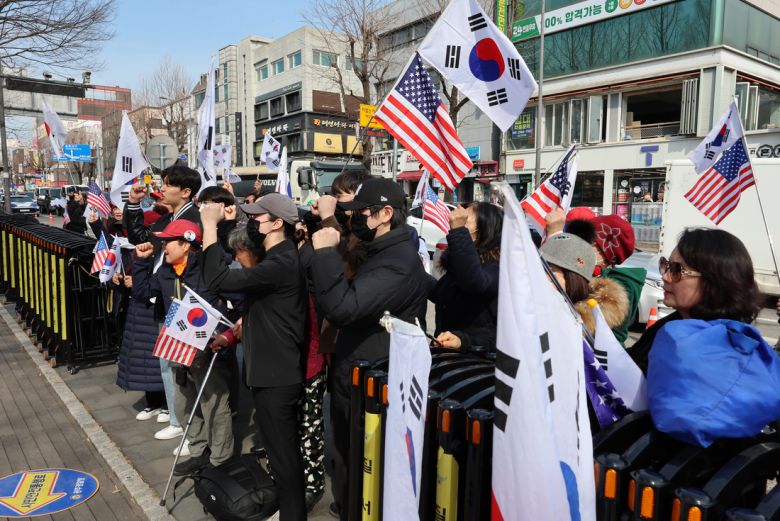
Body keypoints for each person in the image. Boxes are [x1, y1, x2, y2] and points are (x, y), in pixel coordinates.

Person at [309, 178, 430, 521]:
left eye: (361, 213)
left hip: (372, 382)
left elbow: (344, 309)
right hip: (358, 374)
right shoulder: (381, 251)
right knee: (349, 457)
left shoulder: (397, 261)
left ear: (385, 214)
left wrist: (325, 254)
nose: (353, 219)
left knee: (365, 465)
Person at [200, 193, 307, 521]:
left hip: (278, 376)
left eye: (257, 218)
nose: (251, 223)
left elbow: (217, 279)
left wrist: (209, 226)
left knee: (284, 459)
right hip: (272, 373)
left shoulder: (280, 263)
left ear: (277, 224)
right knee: (279, 455)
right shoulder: (277, 258)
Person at [132, 219, 235, 474]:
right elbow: (143, 292)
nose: (163, 246)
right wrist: (142, 262)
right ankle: (198, 451)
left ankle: (221, 460)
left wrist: (227, 334)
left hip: (208, 351)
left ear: (186, 244)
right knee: (183, 404)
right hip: (177, 349)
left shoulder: (209, 270)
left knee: (214, 405)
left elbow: (240, 302)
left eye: (168, 242)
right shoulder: (165, 271)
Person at [123, 165, 202, 441]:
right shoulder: (167, 219)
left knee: (184, 368)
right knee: (169, 364)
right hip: (163, 297)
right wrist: (134, 204)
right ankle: (178, 418)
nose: (162, 188)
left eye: (168, 184)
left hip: (181, 302)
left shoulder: (194, 219)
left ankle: (188, 427)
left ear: (186, 191)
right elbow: (139, 238)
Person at [629, 228, 763, 374]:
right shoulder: (674, 323)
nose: (665, 277)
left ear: (713, 281)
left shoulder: (717, 351)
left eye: (676, 270)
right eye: (666, 265)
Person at [430, 202, 503, 352]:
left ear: (483, 228)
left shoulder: (498, 265)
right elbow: (440, 294)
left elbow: (475, 282)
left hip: (478, 359)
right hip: (449, 355)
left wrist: (458, 231)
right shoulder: (459, 265)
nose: (455, 221)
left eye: (465, 220)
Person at [540, 233, 629, 337]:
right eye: (539, 267)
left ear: (573, 278)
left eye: (550, 270)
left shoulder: (590, 330)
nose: (542, 276)